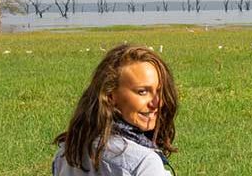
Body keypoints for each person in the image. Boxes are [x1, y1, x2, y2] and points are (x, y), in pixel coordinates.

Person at [53, 44, 179, 175]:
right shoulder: (144, 163)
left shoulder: (67, 151)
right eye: (142, 92)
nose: (157, 102)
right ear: (110, 96)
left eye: (159, 91)